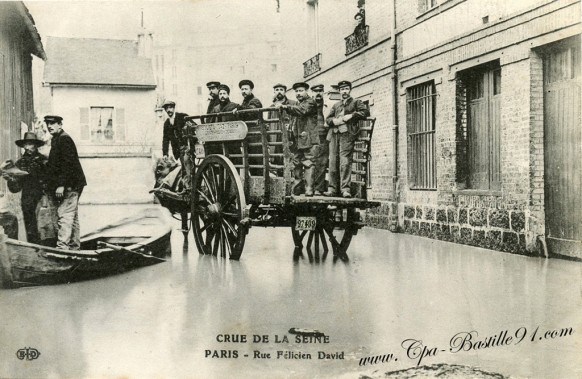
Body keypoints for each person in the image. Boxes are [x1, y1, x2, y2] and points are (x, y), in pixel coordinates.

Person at [44, 115, 87, 250]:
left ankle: (62, 249)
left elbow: (68, 164)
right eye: (48, 124)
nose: (49, 126)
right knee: (72, 217)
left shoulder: (64, 139)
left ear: (60, 125)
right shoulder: (57, 139)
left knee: (65, 216)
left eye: (53, 123)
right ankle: (74, 248)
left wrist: (62, 184)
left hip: (69, 185)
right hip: (72, 184)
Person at [325, 80, 369, 198]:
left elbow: (365, 112)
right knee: (333, 162)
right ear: (339, 91)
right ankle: (332, 189)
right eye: (342, 89)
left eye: (346, 89)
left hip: (347, 135)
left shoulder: (356, 102)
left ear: (350, 90)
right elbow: (328, 119)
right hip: (335, 134)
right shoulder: (336, 105)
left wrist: (352, 115)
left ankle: (345, 189)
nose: (344, 91)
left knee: (345, 162)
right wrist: (333, 121)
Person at [1, 132, 48, 244]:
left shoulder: (44, 161)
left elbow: (49, 179)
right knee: (31, 230)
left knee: (45, 228)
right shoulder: (20, 163)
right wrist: (10, 178)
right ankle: (33, 253)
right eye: (25, 145)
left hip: (42, 199)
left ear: (36, 145)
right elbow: (15, 188)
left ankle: (49, 252)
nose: (27, 147)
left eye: (30, 144)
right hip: (27, 201)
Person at [275, 82, 318, 196]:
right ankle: (298, 189)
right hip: (298, 140)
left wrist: (284, 106)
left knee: (308, 163)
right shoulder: (299, 103)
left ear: (306, 91)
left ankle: (309, 189)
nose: (298, 93)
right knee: (297, 163)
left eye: (301, 91)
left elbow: (301, 111)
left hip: (308, 139)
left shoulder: (310, 102)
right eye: (297, 91)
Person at [310, 84, 329, 196]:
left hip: (323, 137)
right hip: (311, 139)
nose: (318, 93)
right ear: (312, 93)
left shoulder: (327, 105)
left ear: (323, 92)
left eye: (320, 91)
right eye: (315, 91)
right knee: (310, 162)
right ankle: (309, 187)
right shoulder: (309, 105)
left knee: (322, 163)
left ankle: (318, 188)